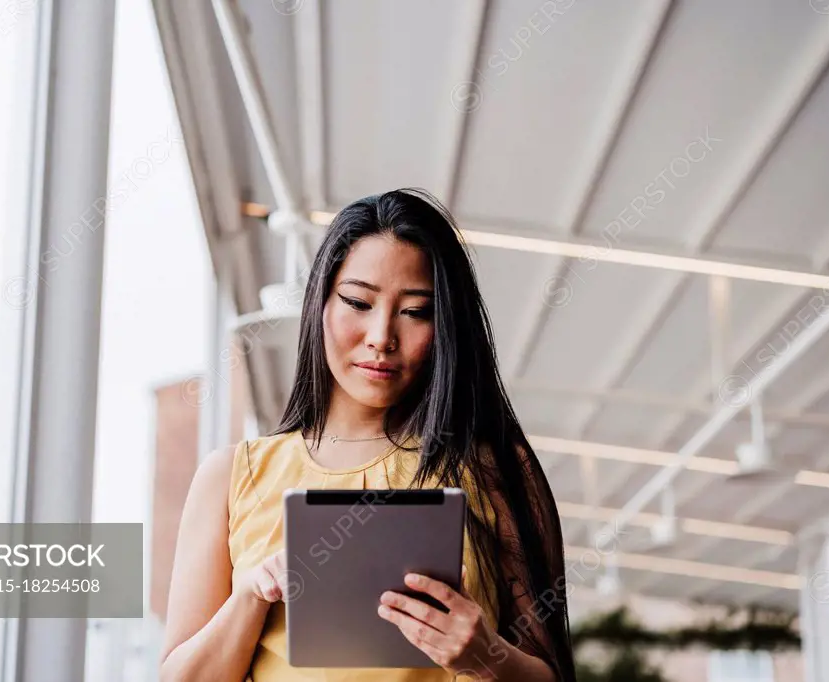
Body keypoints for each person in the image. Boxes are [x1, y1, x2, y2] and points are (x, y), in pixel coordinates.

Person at [159, 189, 574, 682]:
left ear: (446, 327)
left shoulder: (493, 466)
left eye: (416, 311)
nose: (382, 336)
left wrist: (484, 655)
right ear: (320, 303)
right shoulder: (233, 476)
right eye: (358, 301)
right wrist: (249, 596)